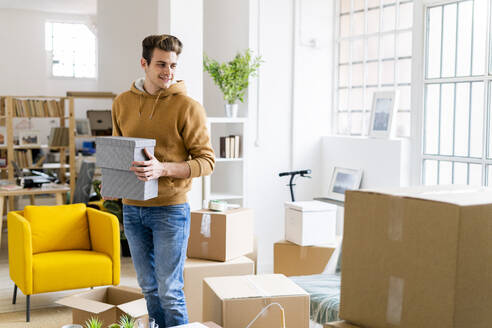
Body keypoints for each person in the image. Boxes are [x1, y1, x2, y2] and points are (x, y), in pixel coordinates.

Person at [110, 34, 215, 327]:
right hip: (132, 209)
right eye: (161, 64)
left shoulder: (188, 107)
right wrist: (113, 182)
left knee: (170, 292)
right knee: (149, 290)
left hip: (170, 211)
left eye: (173, 65)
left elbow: (206, 162)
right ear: (144, 63)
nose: (168, 71)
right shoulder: (121, 102)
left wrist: (162, 169)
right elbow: (120, 150)